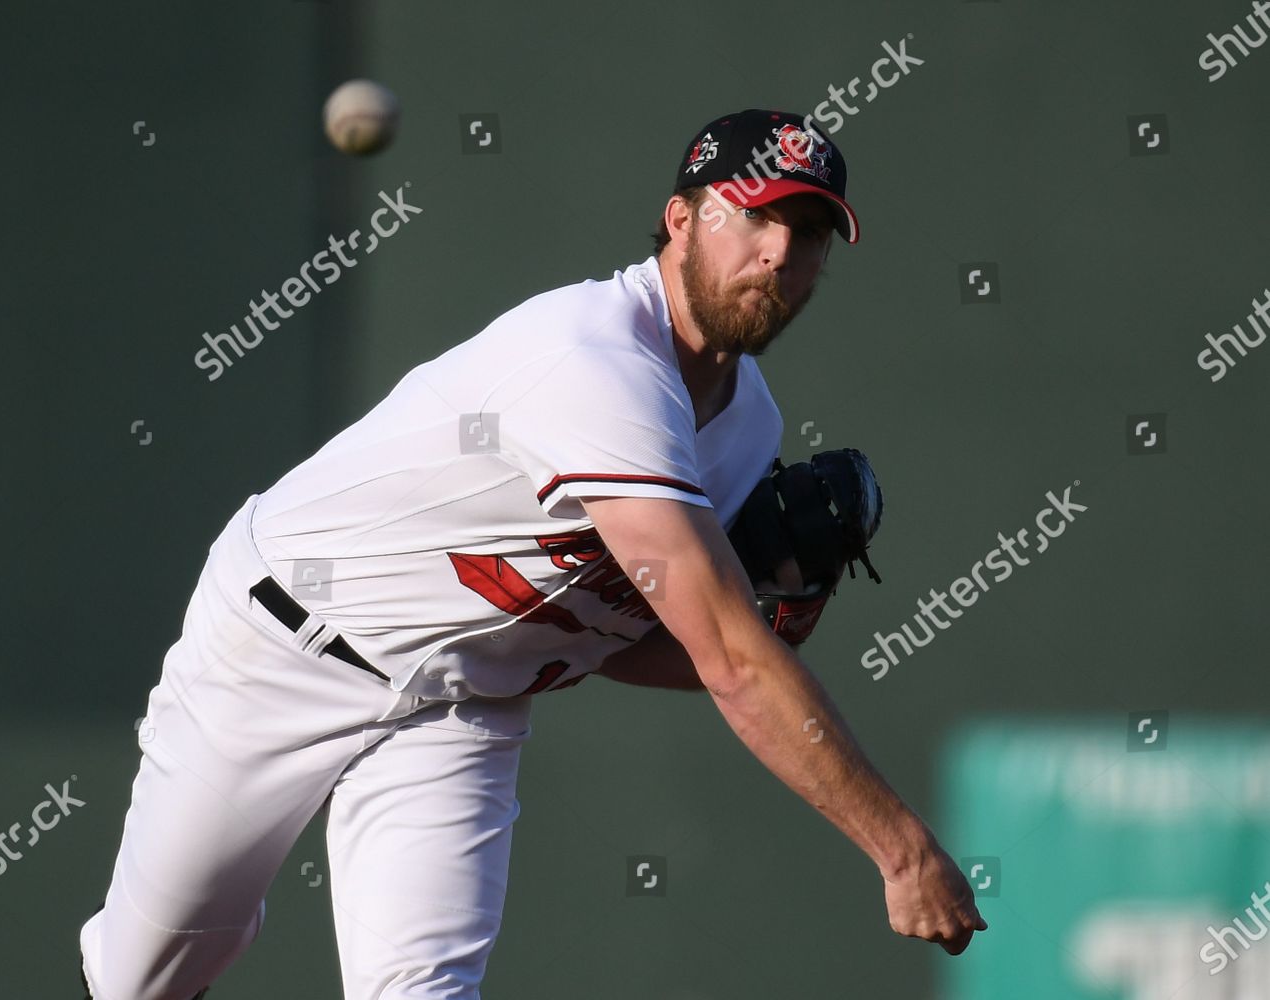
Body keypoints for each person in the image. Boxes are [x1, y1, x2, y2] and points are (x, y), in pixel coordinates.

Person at [79, 107, 984, 1000]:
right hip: (284, 645)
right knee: (141, 983)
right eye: (755, 214)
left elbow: (622, 641)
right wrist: (901, 850)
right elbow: (734, 666)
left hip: (458, 707)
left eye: (811, 230)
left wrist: (773, 622)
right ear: (681, 219)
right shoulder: (595, 360)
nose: (781, 252)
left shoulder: (749, 429)